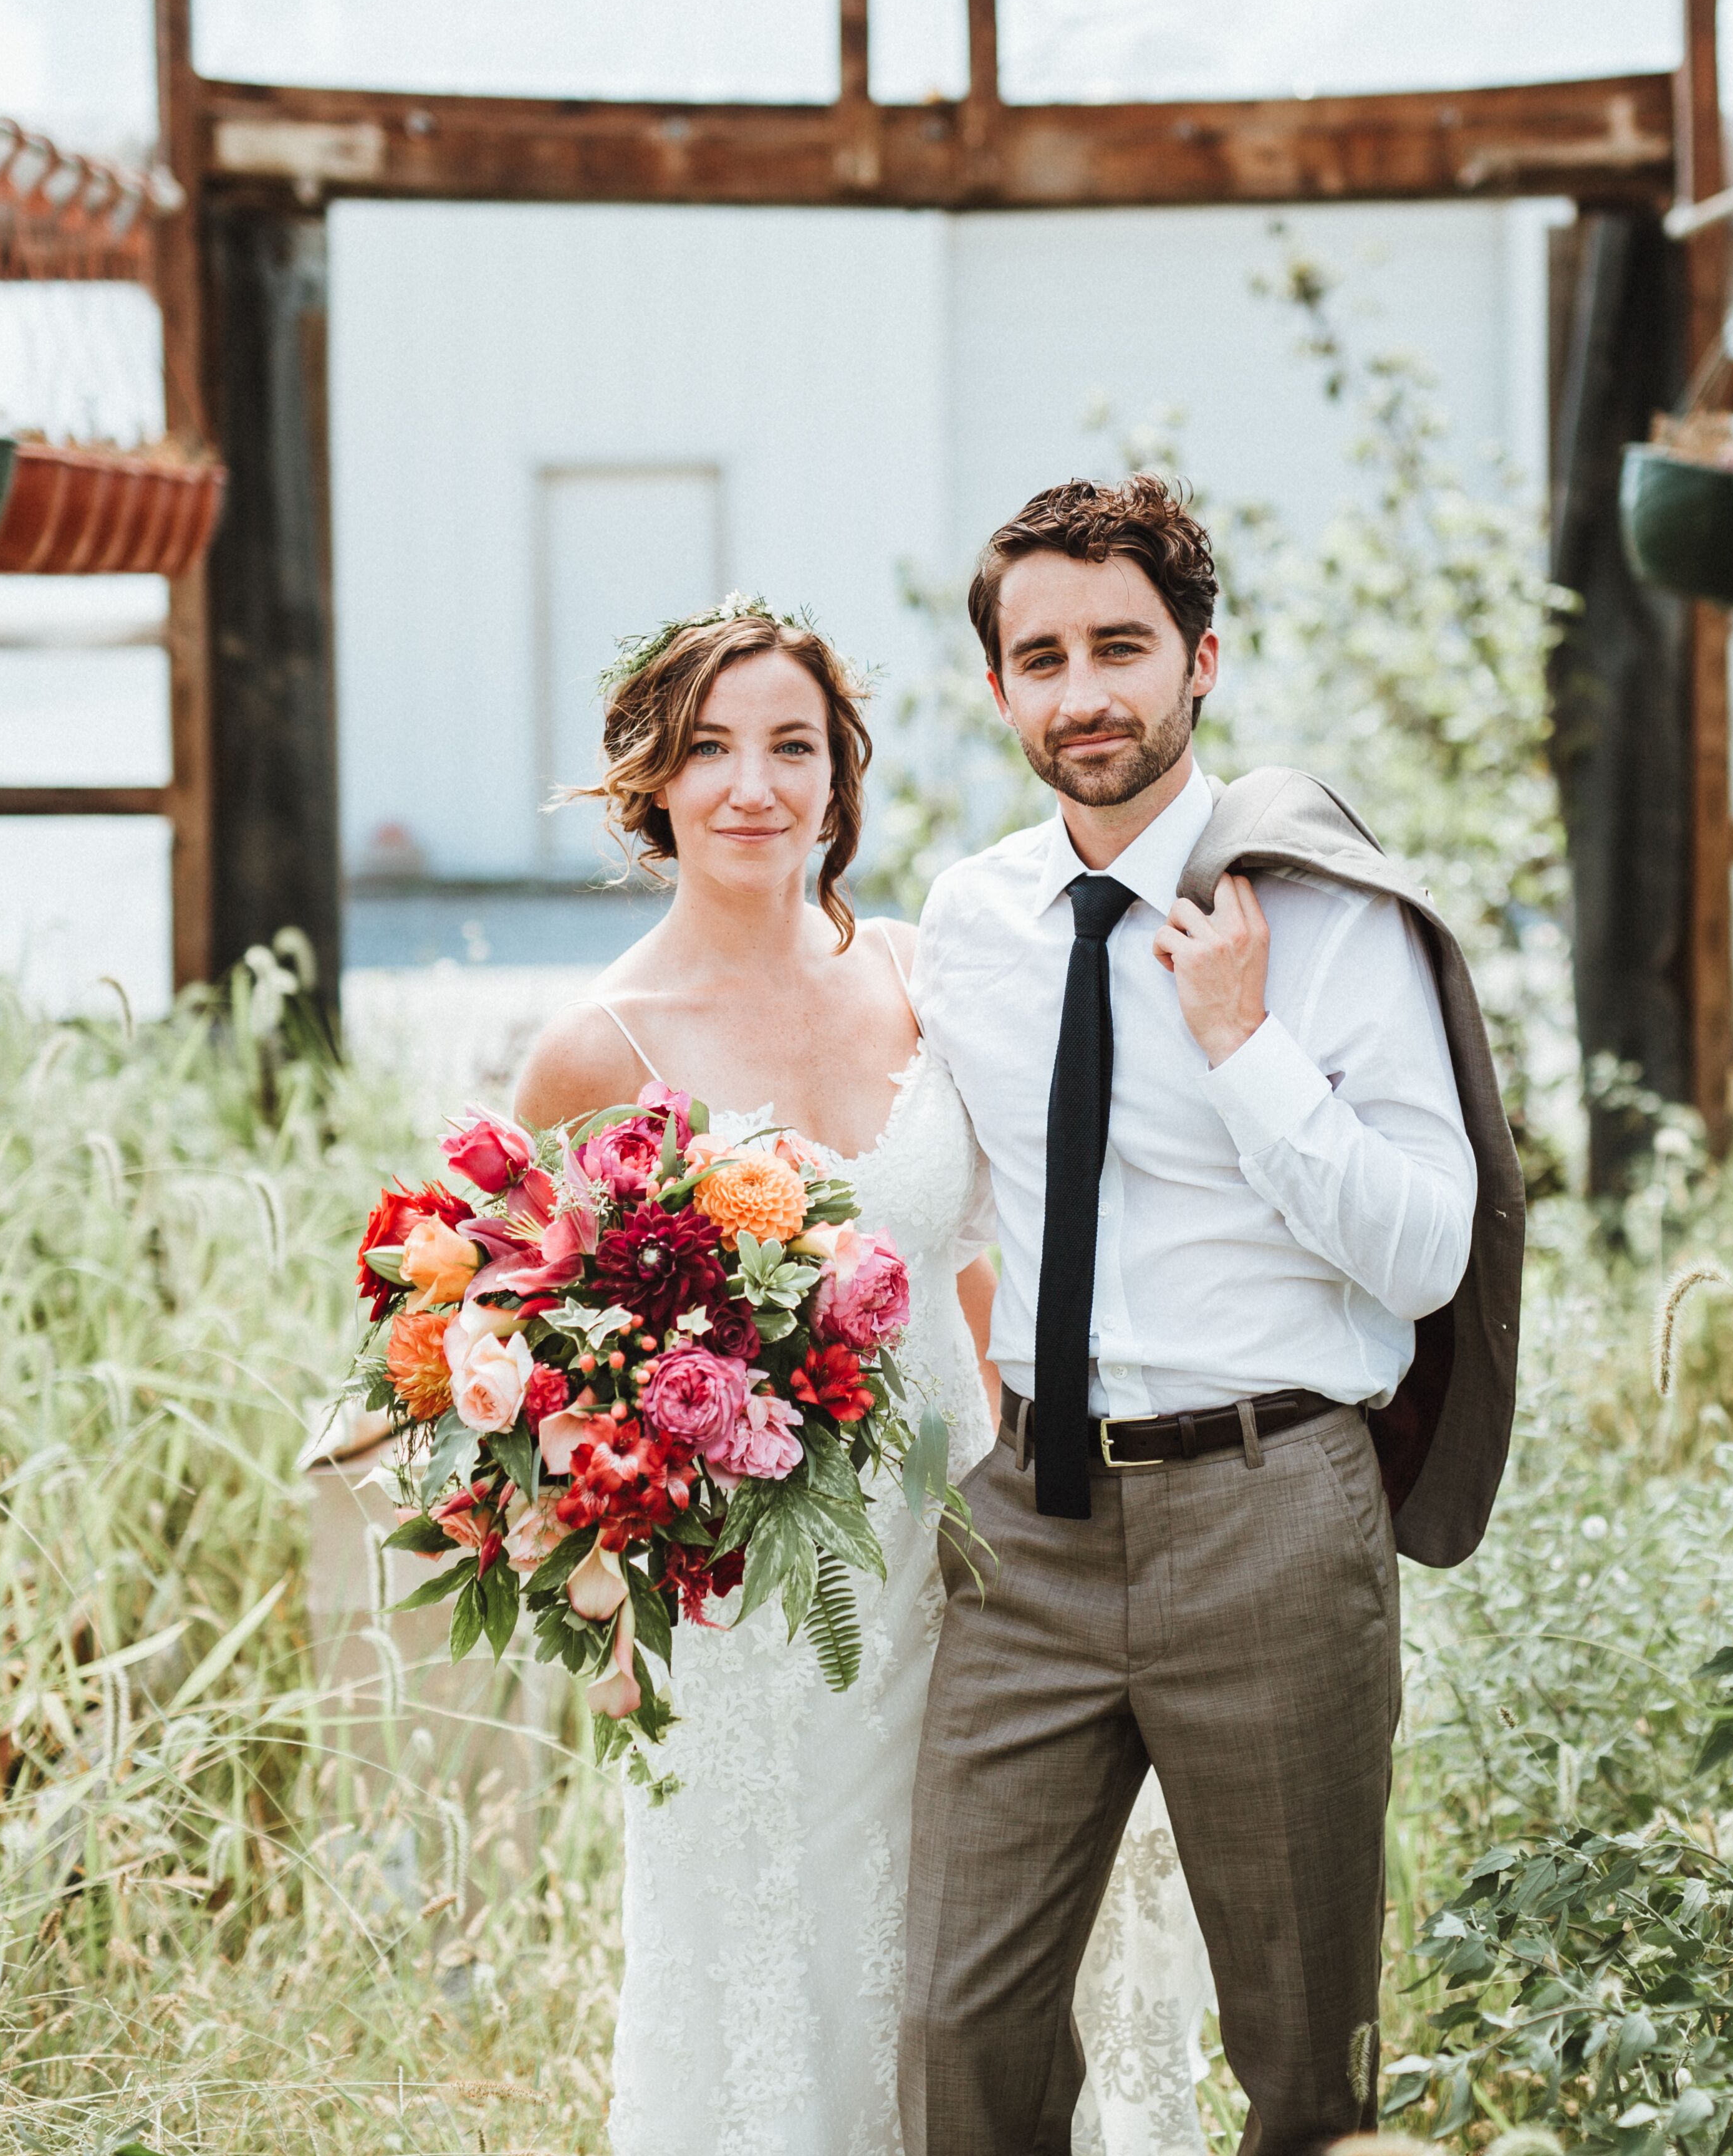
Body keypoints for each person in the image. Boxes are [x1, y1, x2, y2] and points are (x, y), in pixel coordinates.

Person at [513, 601, 1212, 2156]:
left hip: (982, 1562)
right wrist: (610, 1582)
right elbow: (527, 1369)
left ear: (842, 779)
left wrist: (1063, 1505)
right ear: (653, 782)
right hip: (763, 1612)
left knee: (1014, 1965)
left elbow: (978, 1274)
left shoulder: (914, 971)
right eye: (711, 750)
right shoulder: (595, 1046)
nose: (754, 786)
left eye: (793, 748)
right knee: (798, 1971)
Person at [903, 476, 1527, 2156]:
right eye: (1042, 658)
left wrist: (1243, 1041)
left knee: (1305, 2054)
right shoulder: (967, 926)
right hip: (1024, 1528)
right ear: (998, 694)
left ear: (1203, 662)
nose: (1083, 691)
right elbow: (912, 1188)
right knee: (960, 2025)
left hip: (1266, 1518)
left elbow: (1423, 1253)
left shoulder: (1324, 914)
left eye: (1122, 645)